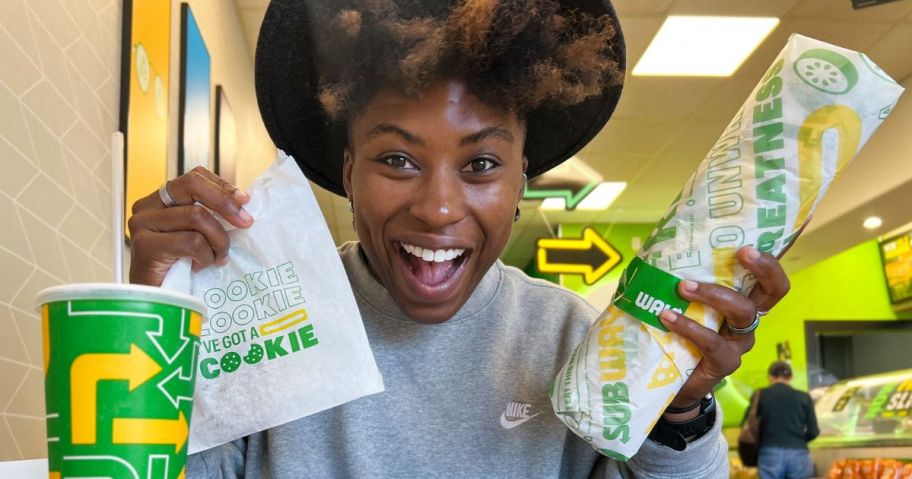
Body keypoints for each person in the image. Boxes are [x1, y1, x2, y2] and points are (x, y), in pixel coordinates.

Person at [128, 0, 791, 477]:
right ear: (349, 173)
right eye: (397, 159)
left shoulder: (569, 336)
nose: (440, 207)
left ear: (521, 182)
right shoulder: (267, 319)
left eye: (480, 165)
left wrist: (677, 406)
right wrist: (145, 324)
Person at [756, 362, 819, 479]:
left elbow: (749, 426)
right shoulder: (804, 397)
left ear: (770, 377)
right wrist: (798, 440)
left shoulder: (760, 395)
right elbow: (814, 431)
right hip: (798, 453)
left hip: (770, 451)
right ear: (790, 377)